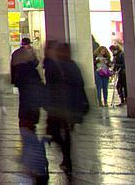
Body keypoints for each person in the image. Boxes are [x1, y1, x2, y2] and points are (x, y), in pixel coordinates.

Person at [45, 42, 89, 174]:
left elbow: (51, 86)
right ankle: (66, 158)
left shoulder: (59, 65)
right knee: (64, 132)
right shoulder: (71, 65)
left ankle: (66, 158)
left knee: (59, 132)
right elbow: (80, 84)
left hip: (62, 105)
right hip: (68, 105)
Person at [11, 37, 46, 182]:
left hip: (26, 106)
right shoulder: (31, 66)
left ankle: (35, 162)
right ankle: (38, 164)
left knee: (28, 133)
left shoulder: (17, 58)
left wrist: (13, 80)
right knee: (31, 132)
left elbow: (13, 69)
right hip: (31, 107)